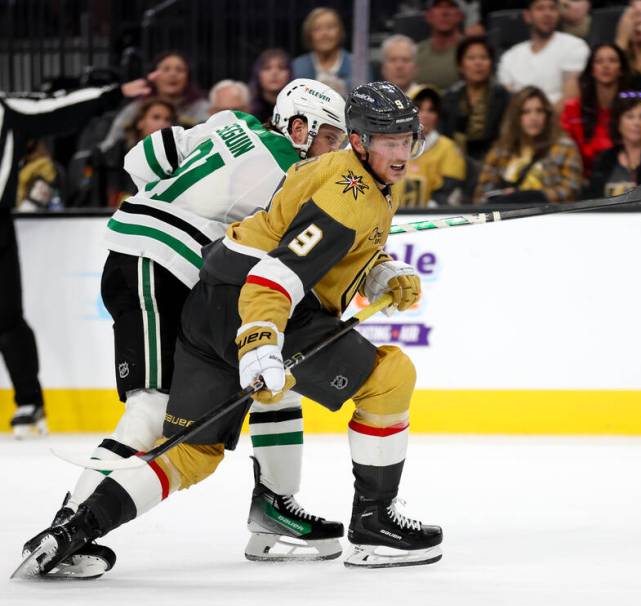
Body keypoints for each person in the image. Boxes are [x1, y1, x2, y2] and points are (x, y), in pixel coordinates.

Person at [18, 81, 443, 579]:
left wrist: (378, 268)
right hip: (191, 274)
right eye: (335, 136)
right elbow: (280, 270)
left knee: (208, 439)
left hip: (200, 289)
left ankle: (86, 527)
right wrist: (261, 337)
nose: (398, 152)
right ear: (329, 134)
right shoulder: (330, 182)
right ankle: (372, 523)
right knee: (388, 375)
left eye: (405, 140)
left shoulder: (233, 124)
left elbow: (144, 160)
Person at [1, 77, 156, 438]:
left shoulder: (9, 109)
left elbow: (57, 110)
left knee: (6, 318)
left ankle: (29, 401)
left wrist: (114, 93)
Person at [475, 85, 583, 203]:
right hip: (508, 216)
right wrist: (503, 198)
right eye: (526, 112)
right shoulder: (501, 150)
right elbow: (481, 195)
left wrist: (533, 196)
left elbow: (572, 189)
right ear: (516, 117)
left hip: (549, 216)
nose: (534, 118)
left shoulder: (564, 147)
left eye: (539, 111)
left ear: (547, 115)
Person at [101, 52, 209, 152]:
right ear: (154, 76)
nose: (173, 74)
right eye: (166, 69)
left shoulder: (202, 108)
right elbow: (110, 145)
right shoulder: (135, 108)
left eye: (180, 70)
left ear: (187, 77)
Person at [83, 97, 177, 208]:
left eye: (167, 119)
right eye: (156, 117)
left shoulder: (178, 161)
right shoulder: (113, 156)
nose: (163, 124)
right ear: (140, 122)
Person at [496, 0, 590, 105]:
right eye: (540, 8)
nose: (547, 14)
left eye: (552, 8)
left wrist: (542, 120)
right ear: (527, 16)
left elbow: (571, 97)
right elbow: (507, 101)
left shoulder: (575, 46)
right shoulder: (509, 57)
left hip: (560, 119)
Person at [560, 43, 632, 177]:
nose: (606, 66)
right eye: (599, 61)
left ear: (621, 69)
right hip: (582, 182)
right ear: (592, 70)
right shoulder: (572, 110)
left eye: (612, 60)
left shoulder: (632, 110)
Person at [439, 35, 511, 161]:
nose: (478, 63)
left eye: (484, 57)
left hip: (493, 161)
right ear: (460, 65)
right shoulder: (448, 99)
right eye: (471, 58)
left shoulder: (504, 98)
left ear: (491, 63)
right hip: (454, 161)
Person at [402, 86, 467, 206]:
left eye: (431, 110)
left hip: (430, 219)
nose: (425, 115)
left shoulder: (448, 148)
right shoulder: (392, 146)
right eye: (419, 109)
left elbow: (449, 192)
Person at [291, 7, 352, 96]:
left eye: (330, 27)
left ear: (340, 32)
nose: (324, 34)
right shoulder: (297, 66)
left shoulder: (357, 65)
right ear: (309, 35)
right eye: (317, 29)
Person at [415, 0, 466, 92]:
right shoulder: (416, 52)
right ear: (429, 16)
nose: (444, 12)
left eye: (450, 6)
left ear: (460, 15)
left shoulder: (470, 50)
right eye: (438, 7)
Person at [249, 49, 292, 124]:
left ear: (290, 74)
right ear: (257, 74)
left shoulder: (300, 110)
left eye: (281, 68)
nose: (274, 73)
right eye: (267, 68)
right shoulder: (248, 111)